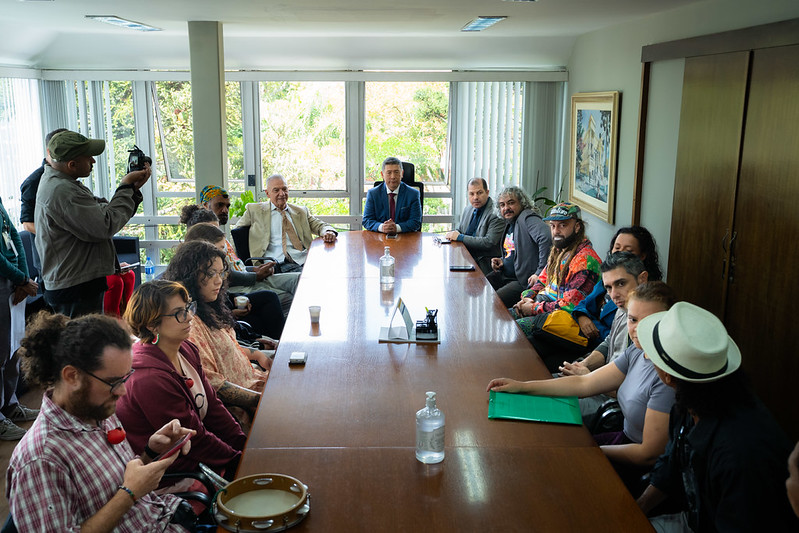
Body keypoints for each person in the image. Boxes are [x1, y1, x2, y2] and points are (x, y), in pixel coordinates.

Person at [7, 312, 198, 532]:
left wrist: (151, 452)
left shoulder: (96, 408)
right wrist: (129, 494)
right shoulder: (40, 459)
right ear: (71, 376)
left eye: (125, 377)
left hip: (164, 518)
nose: (122, 391)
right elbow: (127, 490)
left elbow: (116, 483)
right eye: (114, 382)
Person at [488, 281, 677, 494]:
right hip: (621, 442)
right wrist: (522, 386)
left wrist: (592, 449)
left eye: (648, 321)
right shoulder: (637, 351)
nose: (636, 329)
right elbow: (584, 382)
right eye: (632, 319)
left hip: (638, 465)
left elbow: (648, 455)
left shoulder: (667, 378)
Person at [635, 302, 798, 532]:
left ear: (668, 377)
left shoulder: (741, 453)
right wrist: (639, 508)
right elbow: (671, 465)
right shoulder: (693, 402)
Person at [118, 281, 245, 480]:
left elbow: (213, 406)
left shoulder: (185, 348)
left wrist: (243, 443)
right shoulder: (149, 379)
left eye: (188, 308)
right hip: (172, 470)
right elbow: (193, 438)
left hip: (198, 455)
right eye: (179, 313)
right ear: (152, 325)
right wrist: (238, 460)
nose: (189, 317)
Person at [34, 130, 151, 317]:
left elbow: (102, 213)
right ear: (72, 164)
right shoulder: (62, 191)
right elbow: (104, 225)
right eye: (88, 157)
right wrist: (125, 186)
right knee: (84, 336)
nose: (93, 161)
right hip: (75, 289)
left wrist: (131, 189)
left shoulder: (62, 183)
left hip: (76, 283)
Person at [163, 240, 271, 432]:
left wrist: (256, 354)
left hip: (255, 380)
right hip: (246, 401)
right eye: (210, 274)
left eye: (221, 273)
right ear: (190, 276)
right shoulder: (189, 321)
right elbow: (213, 384)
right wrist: (262, 400)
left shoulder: (209, 307)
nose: (218, 280)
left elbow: (227, 349)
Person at [561, 252, 648, 428]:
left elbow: (635, 394)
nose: (614, 295)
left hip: (616, 405)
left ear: (643, 279)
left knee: (550, 408)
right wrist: (583, 365)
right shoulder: (623, 308)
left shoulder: (647, 327)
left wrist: (589, 377)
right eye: (608, 287)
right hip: (598, 383)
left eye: (621, 284)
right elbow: (609, 343)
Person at [182, 204, 298, 315]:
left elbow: (236, 266)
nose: (216, 233)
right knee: (290, 299)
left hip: (249, 276)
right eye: (211, 230)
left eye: (217, 228)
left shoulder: (221, 241)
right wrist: (255, 275)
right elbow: (227, 275)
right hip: (243, 285)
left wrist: (254, 269)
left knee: (298, 279)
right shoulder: (205, 256)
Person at [184, 222, 285, 339]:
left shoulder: (211, 267)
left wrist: (234, 299)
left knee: (268, 299)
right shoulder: (194, 279)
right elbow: (209, 314)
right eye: (221, 248)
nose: (224, 253)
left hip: (226, 308)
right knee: (263, 313)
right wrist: (230, 313)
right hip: (224, 319)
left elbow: (221, 296)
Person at [235, 173, 337, 273]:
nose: (282, 194)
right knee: (310, 276)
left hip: (302, 259)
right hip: (275, 263)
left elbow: (320, 225)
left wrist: (328, 232)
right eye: (276, 190)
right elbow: (236, 234)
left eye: (284, 189)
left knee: (332, 269)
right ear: (267, 193)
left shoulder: (300, 211)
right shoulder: (254, 211)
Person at [0, 197, 39, 440]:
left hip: (14, 282)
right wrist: (21, 278)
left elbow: (13, 234)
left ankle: (10, 407)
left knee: (13, 349)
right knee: (0, 353)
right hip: (6, 280)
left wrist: (23, 276)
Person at [485, 186, 552, 307]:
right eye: (502, 205)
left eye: (511, 203)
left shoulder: (527, 218)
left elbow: (546, 237)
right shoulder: (511, 222)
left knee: (494, 303)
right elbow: (517, 250)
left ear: (522, 203)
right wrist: (503, 260)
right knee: (478, 286)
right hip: (505, 274)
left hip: (521, 281)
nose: (506, 208)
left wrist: (539, 272)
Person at [444, 178, 506, 274]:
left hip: (485, 265)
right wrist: (453, 234)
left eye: (479, 193)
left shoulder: (496, 213)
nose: (475, 197)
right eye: (471, 194)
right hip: (465, 259)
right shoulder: (468, 209)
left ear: (487, 192)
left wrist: (460, 237)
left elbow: (489, 242)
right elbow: (460, 230)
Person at [18, 127, 68, 234]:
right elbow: (27, 224)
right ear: (50, 150)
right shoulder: (33, 182)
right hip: (49, 243)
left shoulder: (68, 174)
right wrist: (57, 237)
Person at [362, 157, 422, 233]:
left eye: (396, 172)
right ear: (382, 175)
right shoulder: (373, 194)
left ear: (402, 173)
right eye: (389, 172)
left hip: (405, 237)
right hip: (379, 238)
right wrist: (382, 227)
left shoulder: (413, 194)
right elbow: (367, 220)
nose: (393, 176)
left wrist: (397, 228)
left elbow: (416, 222)